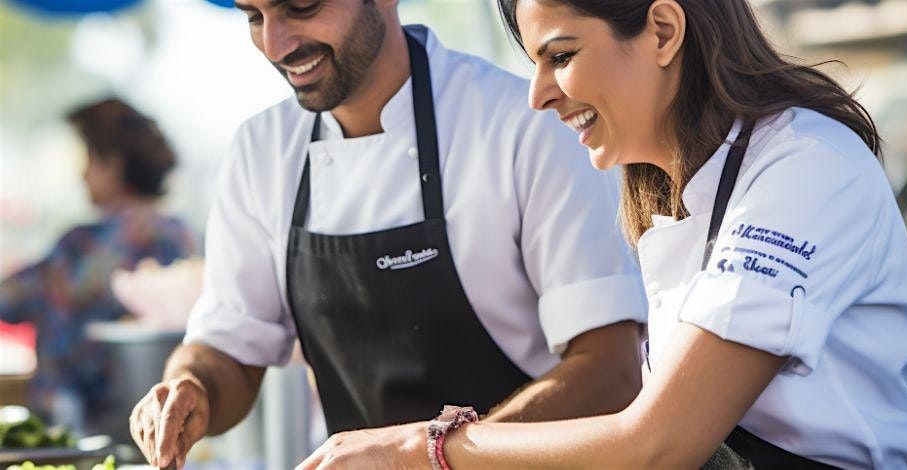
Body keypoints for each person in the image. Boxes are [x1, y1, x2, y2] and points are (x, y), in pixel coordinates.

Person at [299, 0, 907, 468]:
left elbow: (660, 442)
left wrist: (426, 448)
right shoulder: (674, 189)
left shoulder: (805, 165)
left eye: (562, 56)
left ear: (662, 30)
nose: (538, 96)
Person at [127, 0, 650, 468]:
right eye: (254, 16)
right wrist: (192, 387)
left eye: (302, 7)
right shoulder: (260, 151)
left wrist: (431, 457)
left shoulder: (525, 126)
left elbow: (610, 370)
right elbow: (230, 347)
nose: (275, 43)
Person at [0, 98, 196, 434]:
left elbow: (10, 299)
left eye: (89, 158)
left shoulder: (85, 244)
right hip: (161, 422)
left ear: (114, 164)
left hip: (76, 430)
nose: (82, 174)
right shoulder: (181, 236)